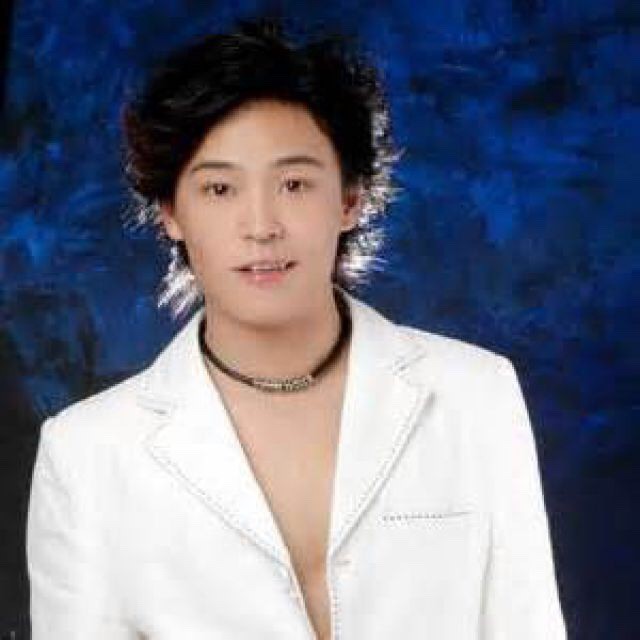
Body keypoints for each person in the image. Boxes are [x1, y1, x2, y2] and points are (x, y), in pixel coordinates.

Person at [26, 15, 567, 640]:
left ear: (349, 199)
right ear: (171, 212)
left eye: (293, 183)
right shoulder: (88, 454)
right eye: (220, 188)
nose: (261, 226)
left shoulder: (475, 394)